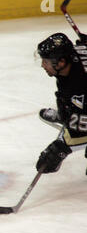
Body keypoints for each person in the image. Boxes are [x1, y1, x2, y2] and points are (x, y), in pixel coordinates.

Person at [36, 33, 87, 173]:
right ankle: (69, 114)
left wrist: (62, 148)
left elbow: (83, 129)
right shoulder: (74, 54)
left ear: (61, 62)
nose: (42, 65)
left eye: (46, 61)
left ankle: (72, 116)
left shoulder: (79, 85)